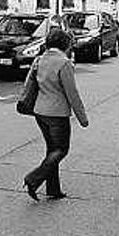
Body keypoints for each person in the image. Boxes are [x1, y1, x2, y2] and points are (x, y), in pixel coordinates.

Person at [23, 28, 89, 201]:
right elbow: (72, 93)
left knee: (52, 150)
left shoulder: (39, 59)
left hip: (39, 112)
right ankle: (33, 179)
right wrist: (83, 118)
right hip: (57, 114)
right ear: (65, 44)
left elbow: (28, 84)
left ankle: (53, 189)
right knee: (61, 149)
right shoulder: (64, 63)